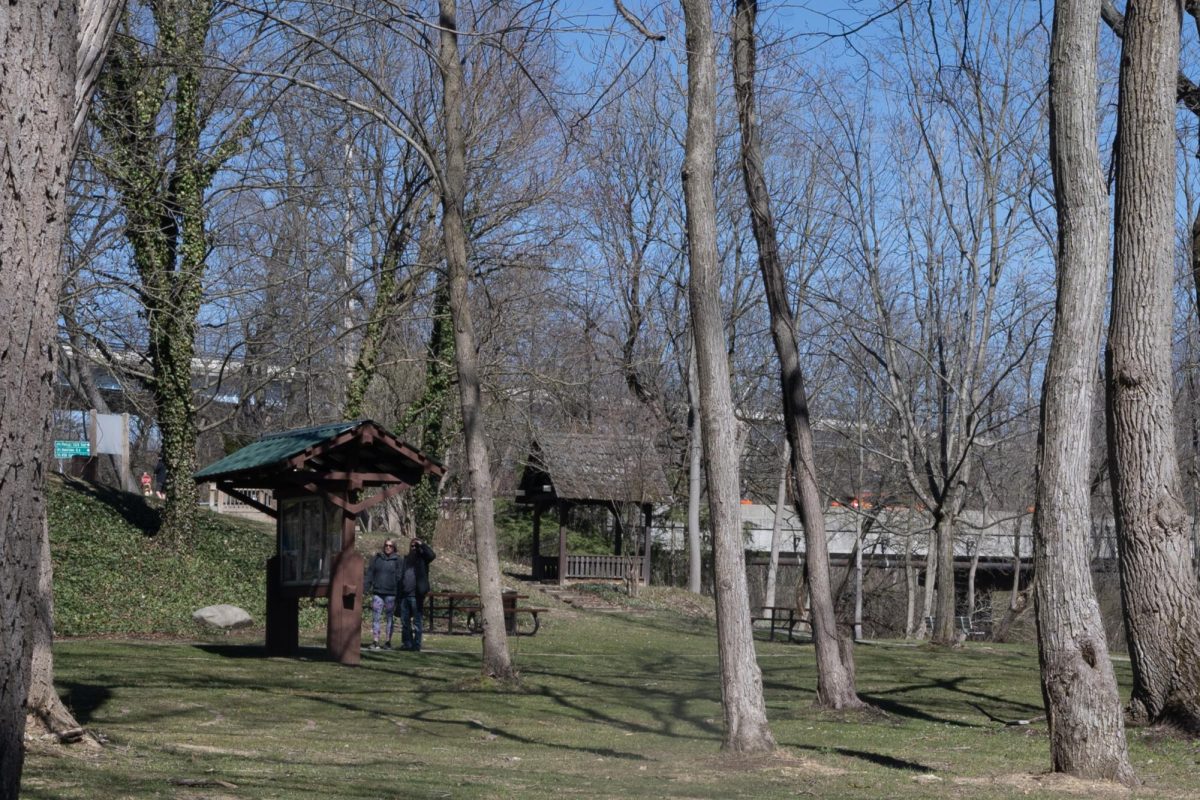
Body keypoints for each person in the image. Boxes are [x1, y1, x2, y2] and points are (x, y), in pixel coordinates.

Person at [397, 537, 435, 651]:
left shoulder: (423, 559)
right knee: (405, 622)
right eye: (412, 546)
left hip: (416, 595)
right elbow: (400, 576)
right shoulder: (406, 559)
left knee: (417, 621)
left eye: (416, 546)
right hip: (404, 594)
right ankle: (407, 643)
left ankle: (416, 644)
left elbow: (432, 555)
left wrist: (422, 544)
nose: (414, 548)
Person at [365, 538, 401, 650]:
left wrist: (398, 591)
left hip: (391, 594)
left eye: (390, 546)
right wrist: (366, 588)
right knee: (376, 617)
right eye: (386, 545)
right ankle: (375, 641)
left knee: (389, 618)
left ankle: (388, 641)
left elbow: (400, 576)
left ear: (394, 547)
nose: (388, 547)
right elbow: (370, 573)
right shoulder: (377, 559)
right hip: (378, 593)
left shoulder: (398, 560)